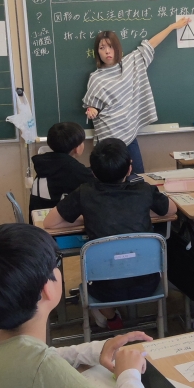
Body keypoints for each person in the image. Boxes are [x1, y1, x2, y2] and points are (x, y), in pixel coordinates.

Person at [0, 224, 154, 388]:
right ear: (46, 289)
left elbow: (44, 358)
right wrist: (129, 373)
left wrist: (98, 350)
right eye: (56, 263)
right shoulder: (41, 372)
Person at [44, 138, 176, 330]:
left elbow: (49, 222)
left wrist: (88, 215)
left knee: (94, 283)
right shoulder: (144, 190)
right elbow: (171, 209)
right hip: (149, 284)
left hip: (102, 289)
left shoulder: (85, 192)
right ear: (130, 168)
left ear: (93, 171)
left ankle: (112, 318)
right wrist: (138, 210)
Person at [82, 18, 191, 175]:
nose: (107, 51)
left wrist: (172, 27)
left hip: (129, 135)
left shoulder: (131, 63)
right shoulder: (96, 78)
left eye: (110, 46)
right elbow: (92, 105)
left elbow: (151, 44)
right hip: (108, 141)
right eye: (102, 48)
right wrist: (91, 110)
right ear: (97, 52)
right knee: (110, 179)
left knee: (138, 176)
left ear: (117, 48)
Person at [30, 121, 96, 211]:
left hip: (38, 216)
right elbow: (94, 182)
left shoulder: (46, 163)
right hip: (55, 218)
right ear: (77, 148)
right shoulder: (72, 168)